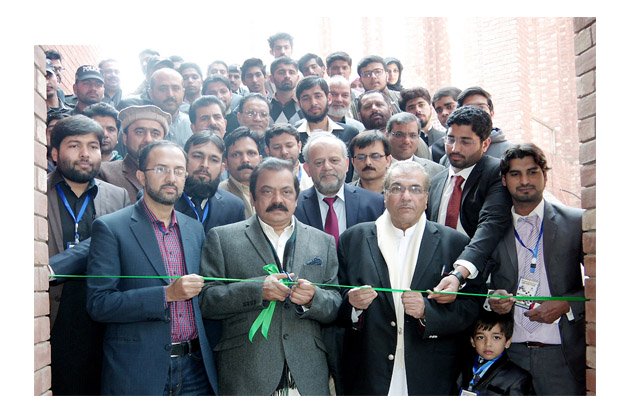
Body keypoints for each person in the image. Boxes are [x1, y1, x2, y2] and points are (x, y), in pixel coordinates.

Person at [337, 160, 483, 395]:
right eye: (396, 188)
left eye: (415, 189)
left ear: (426, 197)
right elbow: (335, 302)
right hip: (369, 374)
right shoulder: (353, 239)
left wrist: (428, 312)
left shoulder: (455, 243)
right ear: (384, 195)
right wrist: (352, 306)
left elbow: (471, 308)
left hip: (431, 375)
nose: (406, 196)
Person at [86, 140, 219, 395]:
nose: (171, 178)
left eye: (179, 170)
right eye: (160, 169)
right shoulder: (111, 227)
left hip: (195, 369)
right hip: (138, 370)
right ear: (141, 176)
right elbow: (99, 304)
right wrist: (166, 295)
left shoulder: (194, 228)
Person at [199, 157, 341, 395]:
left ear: (297, 198)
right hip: (247, 372)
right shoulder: (222, 238)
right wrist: (257, 291)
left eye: (286, 192)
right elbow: (206, 301)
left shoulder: (323, 242)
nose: (278, 200)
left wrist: (312, 299)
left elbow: (336, 304)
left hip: (308, 373)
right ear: (253, 198)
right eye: (267, 192)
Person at [487, 143, 586, 395]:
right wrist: (492, 300)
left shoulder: (575, 222)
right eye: (515, 174)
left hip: (562, 355)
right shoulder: (492, 229)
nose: (524, 181)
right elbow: (480, 285)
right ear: (504, 180)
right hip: (510, 354)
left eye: (532, 172)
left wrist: (567, 304)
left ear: (545, 175)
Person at [47, 115, 130, 395]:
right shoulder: (35, 192)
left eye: (92, 146)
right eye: (74, 145)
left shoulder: (118, 197)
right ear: (55, 153)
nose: (85, 154)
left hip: (101, 316)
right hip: (53, 314)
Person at [426, 105, 512, 302]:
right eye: (450, 139)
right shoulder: (436, 181)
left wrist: (459, 273)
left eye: (465, 141)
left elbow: (490, 226)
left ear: (485, 143)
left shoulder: (497, 173)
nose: (455, 148)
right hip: (437, 287)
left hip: (479, 286)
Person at [175, 130, 245, 233]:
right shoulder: (166, 201)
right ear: (183, 160)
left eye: (214, 159)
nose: (205, 165)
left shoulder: (234, 207)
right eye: (198, 156)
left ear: (222, 168)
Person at [98, 105, 171, 202]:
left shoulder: (173, 175)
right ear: (125, 138)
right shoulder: (105, 173)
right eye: (140, 132)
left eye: (155, 134)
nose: (148, 139)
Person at [458, 311, 534, 396]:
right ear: (472, 341)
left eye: (496, 337)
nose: (488, 344)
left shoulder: (518, 377)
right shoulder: (461, 367)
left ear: (507, 342)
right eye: (481, 337)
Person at [294, 76, 359, 154]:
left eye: (318, 96)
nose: (313, 102)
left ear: (329, 99)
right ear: (299, 104)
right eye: (306, 98)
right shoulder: (293, 136)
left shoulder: (350, 133)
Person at [219, 126, 263, 218]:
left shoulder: (273, 191)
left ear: (260, 160)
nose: (245, 160)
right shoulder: (218, 196)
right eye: (236, 155)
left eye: (251, 153)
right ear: (226, 163)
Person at [457, 86, 511, 159]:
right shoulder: (452, 152)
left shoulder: (509, 151)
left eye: (481, 107)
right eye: (468, 108)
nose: (475, 112)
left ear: (491, 113)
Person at [386, 112, 445, 178]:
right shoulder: (376, 169)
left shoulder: (437, 171)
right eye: (399, 135)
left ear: (418, 137)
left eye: (413, 135)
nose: (406, 141)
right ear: (387, 135)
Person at [148, 68, 192, 147]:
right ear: (151, 93)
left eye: (176, 88)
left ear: (183, 92)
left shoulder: (192, 125)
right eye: (163, 89)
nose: (170, 94)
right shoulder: (137, 127)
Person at [400, 87, 446, 162]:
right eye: (411, 107)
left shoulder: (445, 138)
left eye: (421, 105)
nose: (417, 110)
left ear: (431, 108)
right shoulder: (402, 142)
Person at [264, 123, 314, 190]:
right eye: (277, 147)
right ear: (267, 151)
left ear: (299, 147)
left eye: (289, 146)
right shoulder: (262, 179)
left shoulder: (313, 175)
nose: (284, 152)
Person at [352, 55, 401, 121]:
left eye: (378, 72)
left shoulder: (400, 98)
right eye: (367, 74)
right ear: (361, 80)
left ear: (387, 75)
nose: (373, 77)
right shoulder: (354, 105)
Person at [431, 86, 462, 163]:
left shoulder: (481, 139)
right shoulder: (436, 149)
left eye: (450, 107)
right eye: (439, 110)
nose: (444, 113)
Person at [268, 56, 302, 125]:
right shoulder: (265, 105)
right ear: (271, 78)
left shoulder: (304, 104)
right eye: (281, 72)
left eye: (291, 72)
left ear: (298, 78)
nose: (287, 76)